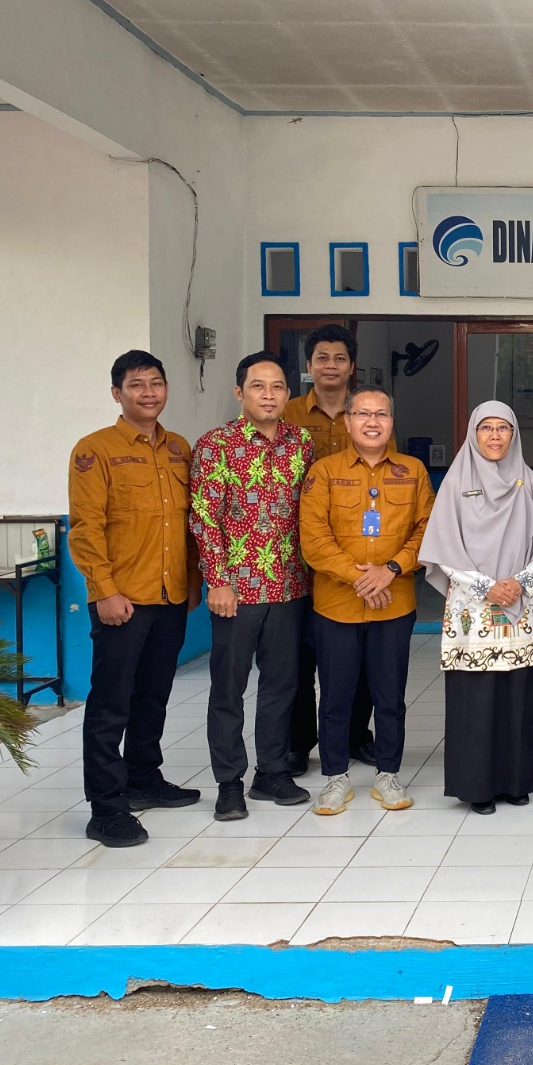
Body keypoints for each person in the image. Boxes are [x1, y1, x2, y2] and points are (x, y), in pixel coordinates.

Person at [67, 351, 203, 848]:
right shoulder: (95, 450)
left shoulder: (180, 448)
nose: (148, 392)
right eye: (137, 384)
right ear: (117, 393)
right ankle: (106, 808)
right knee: (111, 705)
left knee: (153, 696)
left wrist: (192, 582)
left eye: (156, 383)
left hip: (170, 597)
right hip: (122, 599)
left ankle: (144, 779)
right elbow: (86, 528)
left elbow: (190, 525)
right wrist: (104, 590)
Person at [190, 351, 316, 821]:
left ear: (288, 394)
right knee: (228, 689)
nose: (268, 395)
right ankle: (229, 783)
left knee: (283, 685)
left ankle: (272, 772)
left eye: (277, 387)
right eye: (258, 386)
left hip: (290, 587)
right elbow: (204, 518)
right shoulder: (216, 445)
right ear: (239, 392)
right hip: (237, 591)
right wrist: (218, 581)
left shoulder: (301, 443)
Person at [299, 387, 435, 816]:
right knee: (334, 696)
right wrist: (361, 577)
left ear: (392, 421)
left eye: (381, 414)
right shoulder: (324, 471)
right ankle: (335, 777)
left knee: (389, 696)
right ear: (348, 421)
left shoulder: (413, 471)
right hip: (336, 605)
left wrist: (390, 570)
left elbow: (427, 529)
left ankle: (388, 775)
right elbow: (313, 538)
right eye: (363, 414)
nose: (372, 422)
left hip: (394, 603)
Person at [420, 402, 533, 815]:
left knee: (518, 696)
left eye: (503, 428)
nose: (495, 436)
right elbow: (442, 549)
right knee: (475, 699)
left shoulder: (530, 483)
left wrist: (520, 582)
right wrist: (487, 587)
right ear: (473, 434)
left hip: (520, 603)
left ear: (514, 434)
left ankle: (515, 782)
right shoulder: (456, 482)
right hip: (473, 610)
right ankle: (476, 787)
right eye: (486, 428)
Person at [283, 324, 375, 776]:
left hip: (361, 556)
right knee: (300, 657)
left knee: (361, 655)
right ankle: (299, 742)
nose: (331, 366)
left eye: (340, 358)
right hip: (300, 555)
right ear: (309, 365)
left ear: (351, 366)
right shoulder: (289, 414)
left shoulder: (368, 413)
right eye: (322, 357)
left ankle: (356, 736)